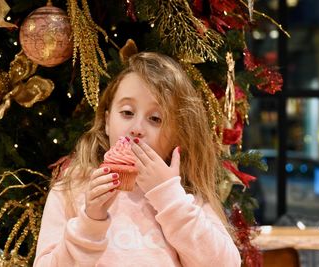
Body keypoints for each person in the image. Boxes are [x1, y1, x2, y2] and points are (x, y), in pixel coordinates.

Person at [34, 52, 241, 266]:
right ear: (107, 121)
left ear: (177, 136)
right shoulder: (71, 189)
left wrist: (169, 198)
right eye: (126, 112)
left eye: (155, 118)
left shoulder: (183, 198)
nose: (136, 129)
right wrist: (90, 222)